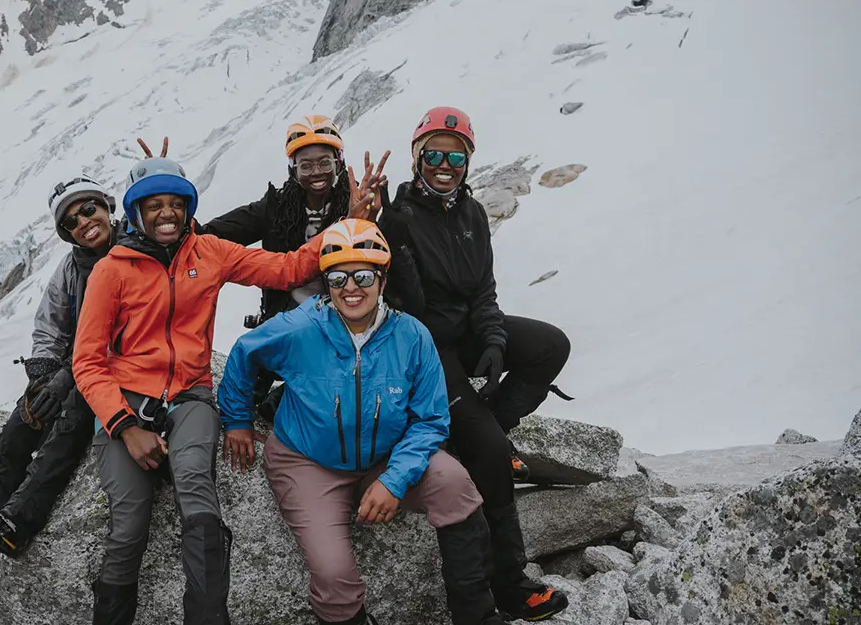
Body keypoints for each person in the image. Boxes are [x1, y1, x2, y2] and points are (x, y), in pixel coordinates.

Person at [73, 155, 377, 625]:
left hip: (191, 395)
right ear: (134, 212)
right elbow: (88, 361)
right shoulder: (111, 270)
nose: (167, 213)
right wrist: (125, 426)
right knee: (128, 526)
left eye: (176, 203)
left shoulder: (209, 251)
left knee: (198, 499)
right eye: (153, 205)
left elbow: (288, 268)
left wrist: (347, 225)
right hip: (127, 399)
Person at [219, 220, 506, 625]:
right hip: (307, 462)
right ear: (326, 284)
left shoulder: (412, 336)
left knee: (455, 486)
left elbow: (430, 420)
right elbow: (243, 354)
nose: (350, 287)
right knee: (334, 571)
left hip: (386, 456)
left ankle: (476, 614)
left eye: (363, 275)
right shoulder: (299, 328)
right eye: (337, 278)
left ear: (382, 280)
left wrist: (394, 481)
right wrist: (236, 419)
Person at [376, 107, 571, 621]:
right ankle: (509, 582)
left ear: (467, 161)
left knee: (551, 346)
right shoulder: (399, 216)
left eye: (455, 155)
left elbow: (483, 289)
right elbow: (407, 306)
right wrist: (391, 233)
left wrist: (495, 342)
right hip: (426, 343)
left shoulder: (472, 213)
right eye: (434, 154)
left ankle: (478, 429)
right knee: (487, 451)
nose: (445, 164)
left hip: (466, 333)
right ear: (418, 158)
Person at [0, 176, 116, 589]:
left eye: (87, 209)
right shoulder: (71, 267)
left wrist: (69, 376)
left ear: (106, 206)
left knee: (65, 431)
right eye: (70, 222)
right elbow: (50, 326)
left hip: (115, 366)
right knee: (14, 435)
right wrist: (43, 379)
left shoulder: (135, 249)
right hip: (74, 367)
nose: (83, 222)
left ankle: (19, 521)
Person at [200, 115, 392, 421]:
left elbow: (377, 259)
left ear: (339, 164)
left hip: (344, 312)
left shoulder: (356, 202)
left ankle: (284, 398)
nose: (317, 173)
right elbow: (216, 231)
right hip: (287, 314)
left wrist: (365, 219)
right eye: (306, 165)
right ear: (293, 169)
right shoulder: (275, 207)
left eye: (325, 163)